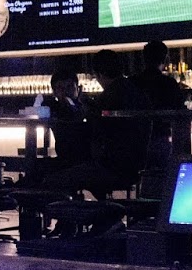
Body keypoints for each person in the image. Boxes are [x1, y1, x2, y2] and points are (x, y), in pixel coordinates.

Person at [43, 50, 150, 197]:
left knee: (53, 180)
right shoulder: (136, 91)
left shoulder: (108, 97)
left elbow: (97, 135)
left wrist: (84, 113)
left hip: (113, 167)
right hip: (137, 165)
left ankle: (71, 210)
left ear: (99, 74)